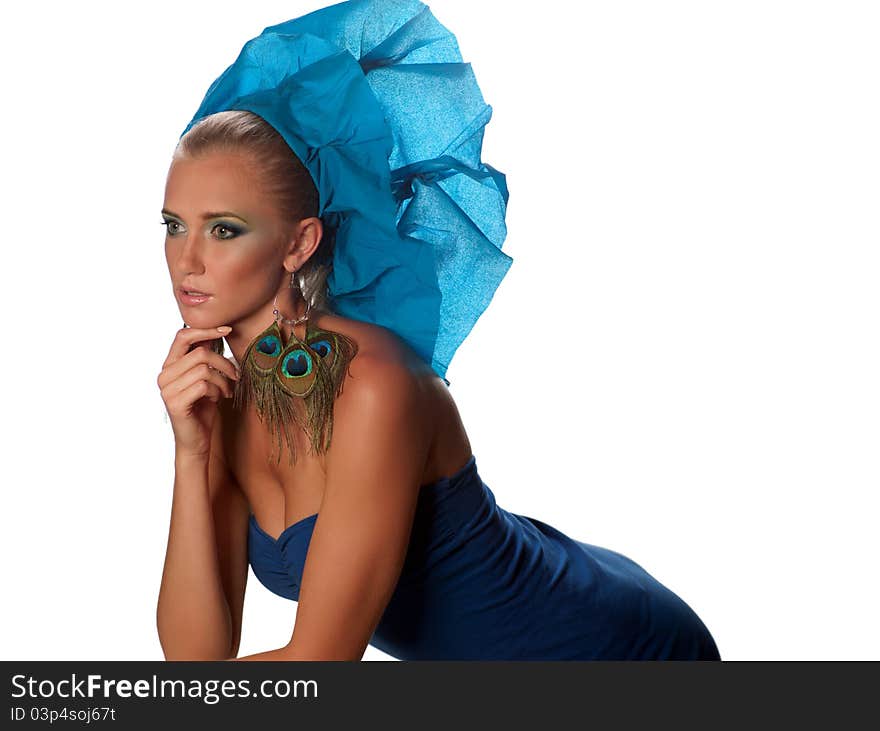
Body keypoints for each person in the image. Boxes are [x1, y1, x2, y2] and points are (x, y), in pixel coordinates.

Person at [155, 0, 721, 661]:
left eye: (224, 229)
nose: (187, 258)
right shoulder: (219, 397)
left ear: (299, 242)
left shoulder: (377, 385)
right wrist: (190, 451)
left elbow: (315, 673)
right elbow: (194, 664)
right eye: (173, 225)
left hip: (610, 649)